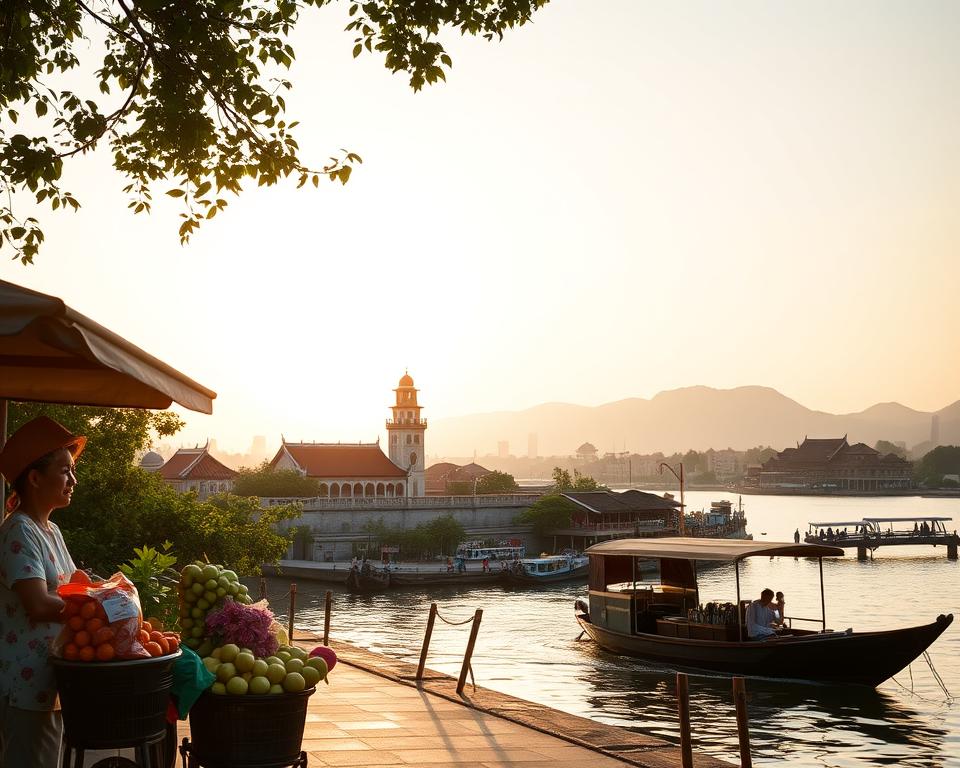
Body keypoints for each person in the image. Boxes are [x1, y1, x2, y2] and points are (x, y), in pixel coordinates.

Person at [0, 416, 87, 768]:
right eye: (65, 471)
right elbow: (37, 604)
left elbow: (70, 587)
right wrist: (95, 606)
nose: (73, 480)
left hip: (48, 681)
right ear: (35, 478)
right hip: (25, 684)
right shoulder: (20, 531)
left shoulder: (49, 530)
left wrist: (97, 593)